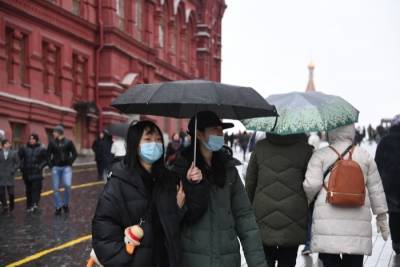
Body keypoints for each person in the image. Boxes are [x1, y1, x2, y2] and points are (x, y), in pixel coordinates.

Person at [92, 121, 203, 266]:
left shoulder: (169, 180)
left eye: (158, 140)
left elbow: (190, 216)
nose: (155, 144)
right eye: (148, 139)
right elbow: (104, 236)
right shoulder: (118, 183)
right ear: (135, 145)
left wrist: (193, 185)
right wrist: (128, 260)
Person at [172, 111, 267, 267]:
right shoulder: (179, 171)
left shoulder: (229, 170)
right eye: (214, 130)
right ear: (199, 134)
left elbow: (244, 217)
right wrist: (190, 185)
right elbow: (174, 217)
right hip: (192, 259)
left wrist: (258, 263)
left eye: (221, 130)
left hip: (227, 258)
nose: (220, 134)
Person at [303, 124, 389, 267]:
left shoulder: (320, 155)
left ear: (331, 131)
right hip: (357, 223)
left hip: (327, 223)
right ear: (351, 130)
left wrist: (309, 201)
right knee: (354, 262)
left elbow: (311, 185)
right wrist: (381, 215)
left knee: (330, 260)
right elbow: (376, 188)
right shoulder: (364, 155)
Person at [246, 133, 313, 266]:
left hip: (263, 213)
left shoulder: (260, 148)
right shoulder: (305, 150)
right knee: (288, 260)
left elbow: (250, 183)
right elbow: (310, 184)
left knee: (265, 260)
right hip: (294, 213)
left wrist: (247, 210)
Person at [375, 114, 400, 255]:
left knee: (394, 214)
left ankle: (396, 242)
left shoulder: (385, 141)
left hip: (390, 185)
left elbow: (377, 163)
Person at [47, 125, 77, 215]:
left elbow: (75, 153)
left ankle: (65, 204)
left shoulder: (69, 142)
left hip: (66, 168)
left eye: (54, 132)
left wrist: (70, 162)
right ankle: (58, 206)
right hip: (56, 168)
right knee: (55, 188)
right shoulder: (52, 142)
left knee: (67, 185)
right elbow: (47, 155)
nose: (53, 133)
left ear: (59, 132)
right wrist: (51, 166)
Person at [18, 133, 48, 212]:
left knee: (36, 189)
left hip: (37, 173)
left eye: (33, 139)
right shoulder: (24, 148)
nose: (31, 140)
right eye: (30, 139)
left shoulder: (42, 149)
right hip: (27, 173)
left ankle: (35, 204)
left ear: (36, 140)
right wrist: (21, 166)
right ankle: (29, 205)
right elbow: (18, 158)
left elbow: (46, 160)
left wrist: (40, 166)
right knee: (28, 190)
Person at [0, 139, 19, 213]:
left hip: (9, 176)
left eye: (9, 143)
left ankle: (12, 205)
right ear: (3, 145)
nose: (9, 145)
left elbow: (18, 163)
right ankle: (5, 206)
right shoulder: (0, 153)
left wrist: (13, 170)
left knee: (11, 193)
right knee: (1, 193)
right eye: (7, 143)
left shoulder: (13, 153)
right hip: (1, 176)